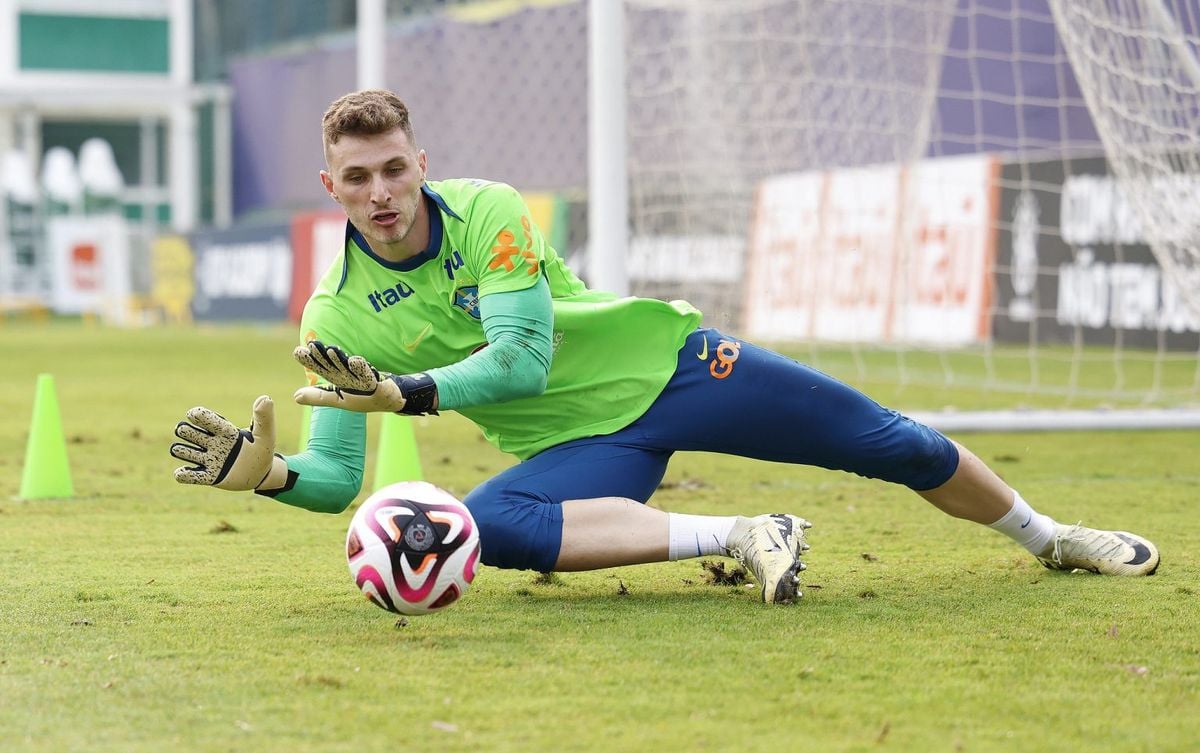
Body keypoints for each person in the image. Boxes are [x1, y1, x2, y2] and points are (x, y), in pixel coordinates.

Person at [169, 89, 1160, 604]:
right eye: (357, 178)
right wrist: (266, 477)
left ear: (420, 163)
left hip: (671, 372)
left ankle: (1053, 537)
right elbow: (339, 479)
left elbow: (519, 362)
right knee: (487, 526)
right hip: (595, 450)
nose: (380, 192)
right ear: (328, 185)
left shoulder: (486, 214)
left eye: (393, 169)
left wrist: (414, 392)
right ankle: (740, 534)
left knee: (892, 445)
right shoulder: (331, 318)